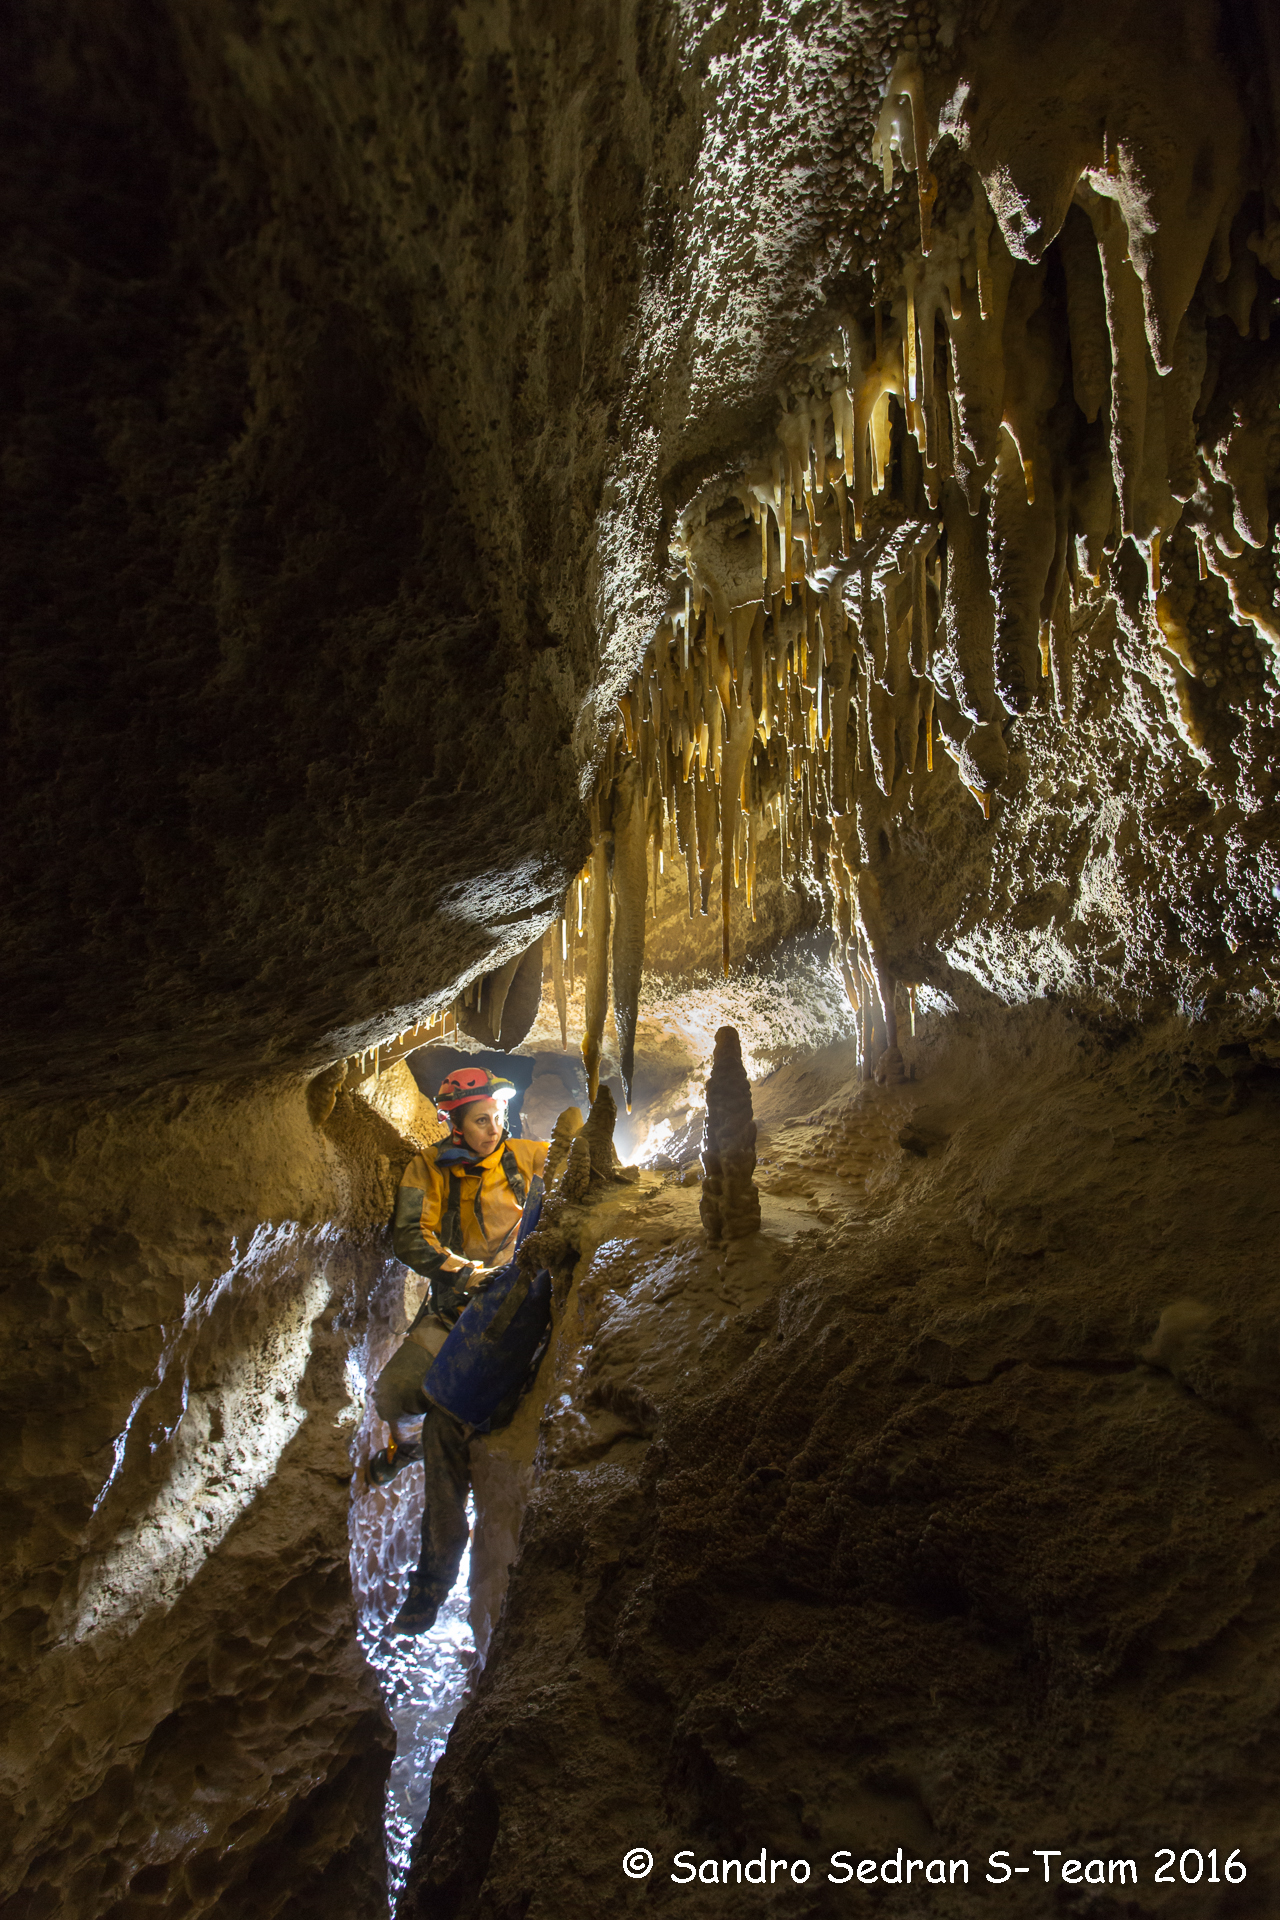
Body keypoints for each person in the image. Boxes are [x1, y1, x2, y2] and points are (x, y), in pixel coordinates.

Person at [369, 1065, 549, 1634]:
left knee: (449, 1425)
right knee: (393, 1393)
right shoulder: (427, 1168)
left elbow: (578, 1161)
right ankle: (405, 1445)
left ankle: (432, 1581)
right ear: (454, 1124)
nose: (493, 1128)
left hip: (508, 1315)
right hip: (455, 1307)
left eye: (497, 1117)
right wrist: (465, 1274)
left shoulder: (522, 1158)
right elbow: (409, 1236)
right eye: (480, 1121)